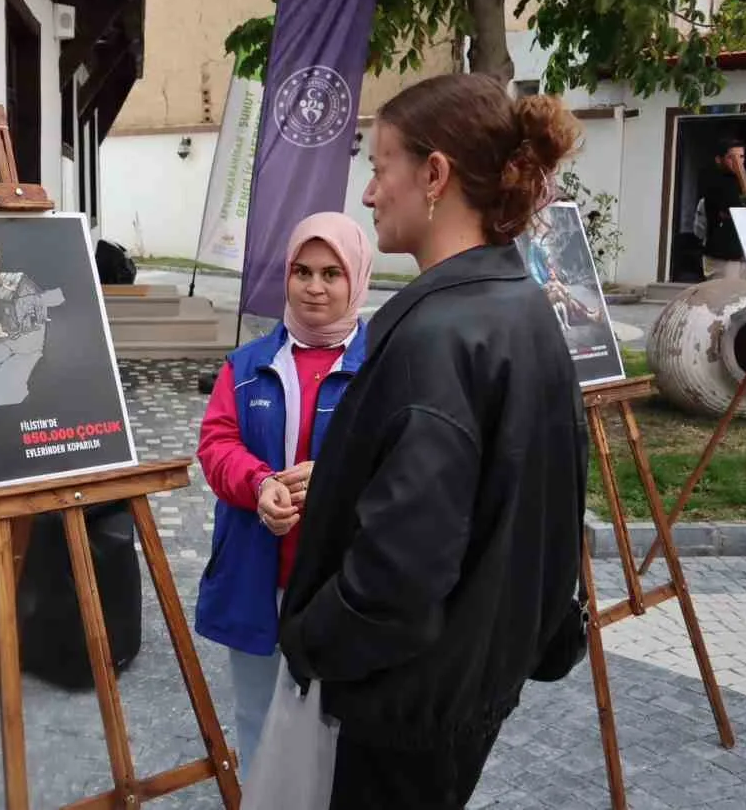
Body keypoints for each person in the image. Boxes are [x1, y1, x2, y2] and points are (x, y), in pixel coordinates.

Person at [276, 73, 588, 808]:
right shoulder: (521, 308)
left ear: (435, 175)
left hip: (404, 707)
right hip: (470, 685)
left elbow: (397, 581)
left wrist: (307, 638)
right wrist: (355, 476)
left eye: (380, 166)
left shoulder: (437, 336)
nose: (369, 191)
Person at [193, 212, 371, 778]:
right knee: (255, 717)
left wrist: (337, 478)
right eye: (301, 271)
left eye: (331, 273)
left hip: (341, 586)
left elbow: (406, 461)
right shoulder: (247, 365)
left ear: (357, 278)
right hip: (255, 576)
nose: (314, 287)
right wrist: (260, 484)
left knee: (338, 723)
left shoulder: (386, 368)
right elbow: (216, 443)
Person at [700, 137, 746, 280]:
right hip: (723, 255)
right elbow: (734, 205)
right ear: (719, 159)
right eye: (731, 157)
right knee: (724, 298)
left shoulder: (740, 182)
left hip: (741, 252)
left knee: (740, 299)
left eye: (741, 157)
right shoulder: (714, 181)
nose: (737, 162)